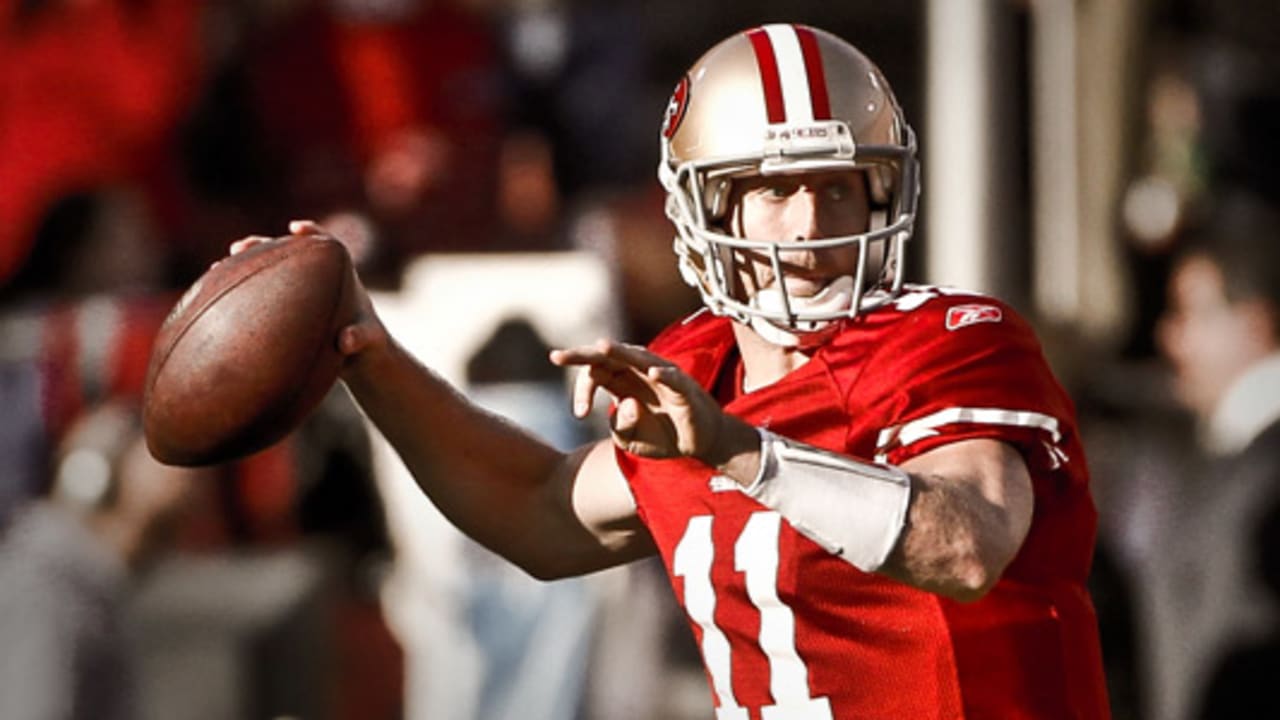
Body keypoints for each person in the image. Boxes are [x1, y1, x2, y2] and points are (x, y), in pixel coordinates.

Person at [235, 23, 1110, 717]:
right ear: (705, 205)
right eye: (775, 189)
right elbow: (539, 513)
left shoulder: (951, 339)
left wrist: (742, 453)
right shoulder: (700, 368)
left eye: (841, 185)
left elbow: (967, 545)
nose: (811, 224)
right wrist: (369, 354)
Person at [1139, 191, 1280, 720]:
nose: (1170, 337)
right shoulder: (1228, 462)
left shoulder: (1260, 476)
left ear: (1255, 324)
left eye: (1189, 312)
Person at [0, 401, 205, 720]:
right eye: (157, 453)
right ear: (94, 478)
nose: (184, 474)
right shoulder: (43, 587)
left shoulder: (91, 588)